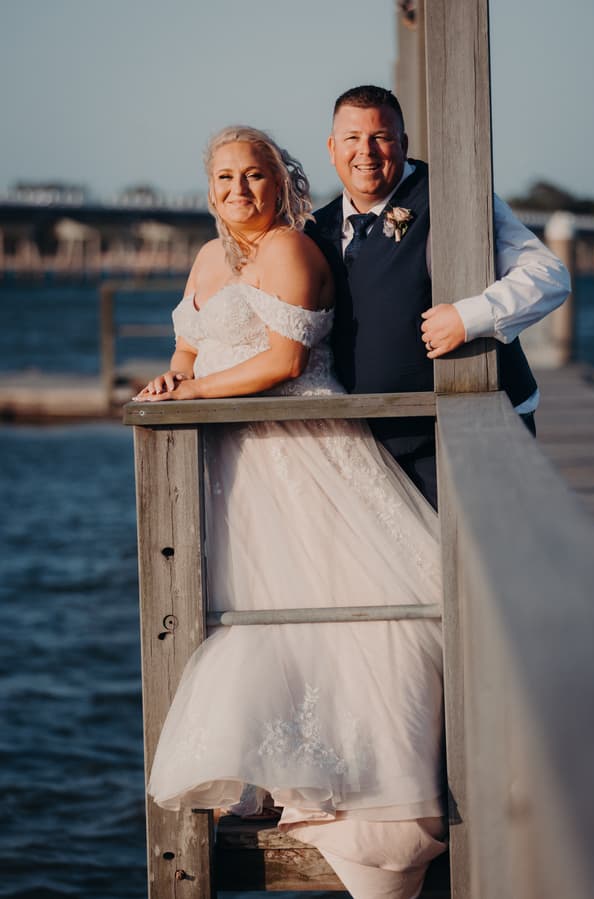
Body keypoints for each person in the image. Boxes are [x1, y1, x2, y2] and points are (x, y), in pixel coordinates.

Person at [135, 125, 447, 899]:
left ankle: (347, 782)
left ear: (282, 181)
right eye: (225, 178)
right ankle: (274, 768)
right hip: (237, 462)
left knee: (334, 599)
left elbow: (283, 362)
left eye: (254, 175)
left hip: (303, 448)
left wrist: (195, 397)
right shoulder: (209, 260)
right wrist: (170, 384)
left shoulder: (289, 250)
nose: (239, 190)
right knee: (256, 605)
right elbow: (187, 351)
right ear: (208, 190)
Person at [307, 85, 571, 509]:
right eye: (352, 138)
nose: (366, 152)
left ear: (403, 143)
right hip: (368, 446)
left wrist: (470, 318)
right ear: (332, 147)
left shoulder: (454, 198)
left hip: (467, 431)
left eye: (380, 137)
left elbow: (548, 275)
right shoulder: (315, 228)